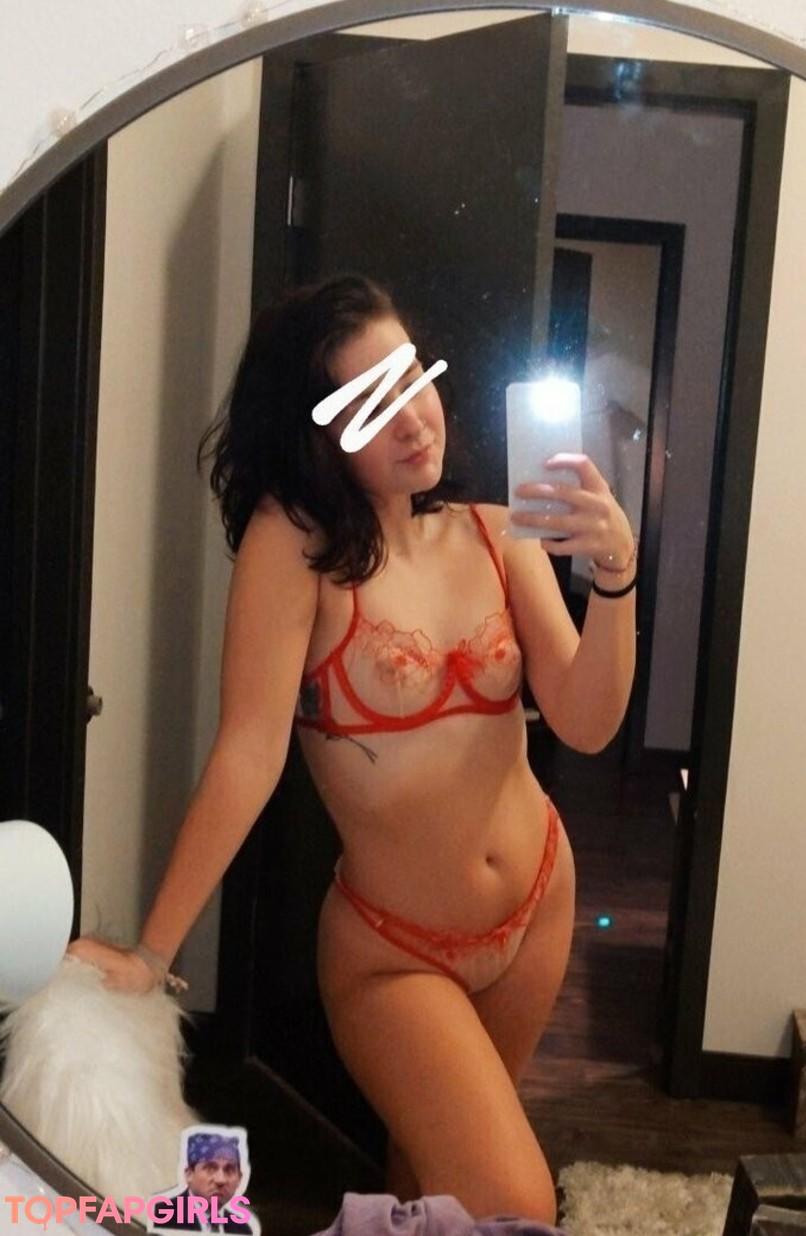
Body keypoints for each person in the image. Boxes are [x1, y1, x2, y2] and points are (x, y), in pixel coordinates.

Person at [69, 275, 637, 1224]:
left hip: (540, 903)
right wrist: (151, 954)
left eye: (411, 378)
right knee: (512, 1202)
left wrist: (616, 573)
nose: (412, 419)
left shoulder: (498, 533)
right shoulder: (294, 548)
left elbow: (587, 722)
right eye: (369, 404)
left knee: (432, 1188)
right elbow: (247, 756)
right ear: (319, 432)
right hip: (394, 952)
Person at [149, 1128, 256, 1233]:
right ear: (189, 1174)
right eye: (210, 1169)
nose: (221, 1180)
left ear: (239, 1179)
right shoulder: (161, 1216)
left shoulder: (242, 1230)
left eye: (229, 1170)